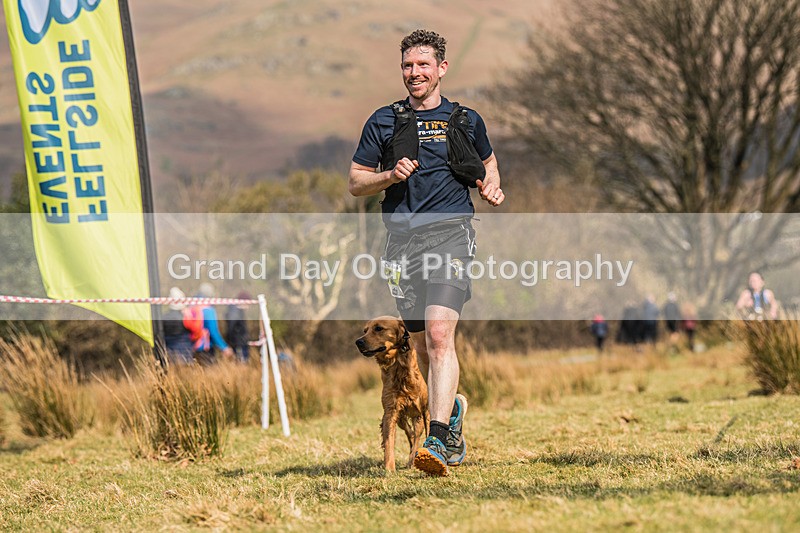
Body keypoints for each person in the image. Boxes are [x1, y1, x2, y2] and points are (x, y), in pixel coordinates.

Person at [349, 29, 503, 477]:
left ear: (441, 69)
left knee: (438, 335)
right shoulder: (384, 120)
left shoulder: (466, 120)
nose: (414, 74)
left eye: (422, 65)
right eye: (407, 66)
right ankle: (452, 412)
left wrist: (489, 184)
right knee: (416, 336)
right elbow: (357, 181)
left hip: (452, 232)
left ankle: (435, 439)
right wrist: (389, 176)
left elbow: (488, 162)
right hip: (402, 242)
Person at [191, 282, 234, 363]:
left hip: (190, 346)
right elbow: (213, 331)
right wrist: (224, 347)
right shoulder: (208, 310)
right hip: (205, 348)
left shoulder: (191, 306)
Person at [162, 286, 194, 365]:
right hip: (186, 354)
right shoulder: (186, 316)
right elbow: (195, 330)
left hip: (170, 354)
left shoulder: (164, 317)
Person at [225, 291, 252, 363]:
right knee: (241, 364)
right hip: (238, 344)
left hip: (240, 343)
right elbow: (231, 328)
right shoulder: (235, 312)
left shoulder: (238, 311)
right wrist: (231, 343)